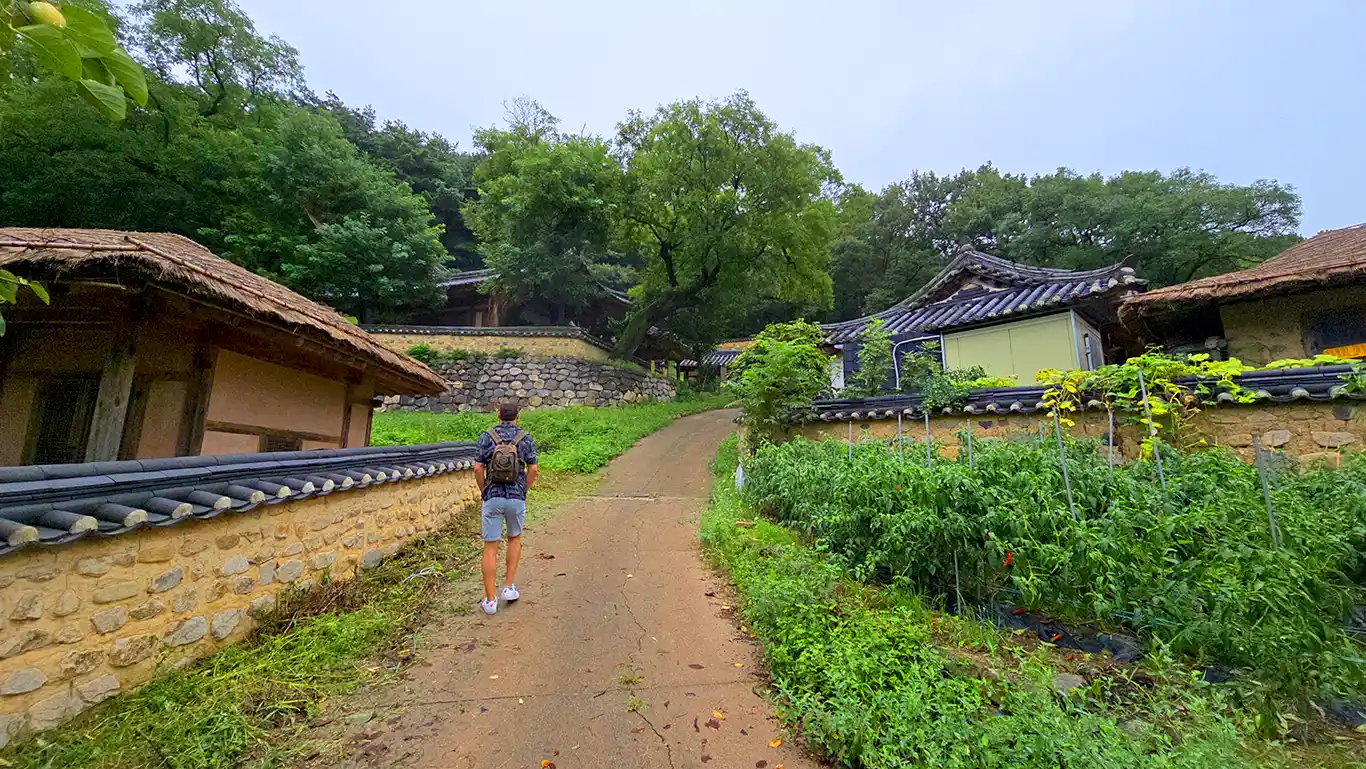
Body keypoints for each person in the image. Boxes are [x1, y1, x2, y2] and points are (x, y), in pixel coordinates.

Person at [473, 400, 538, 615]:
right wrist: (523, 489)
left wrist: (484, 490)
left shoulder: (487, 436)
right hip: (515, 497)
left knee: (490, 546)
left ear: (498, 416)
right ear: (518, 416)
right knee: (514, 539)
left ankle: (490, 601)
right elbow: (534, 469)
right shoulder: (525, 438)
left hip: (492, 497)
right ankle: (509, 588)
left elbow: (477, 467)